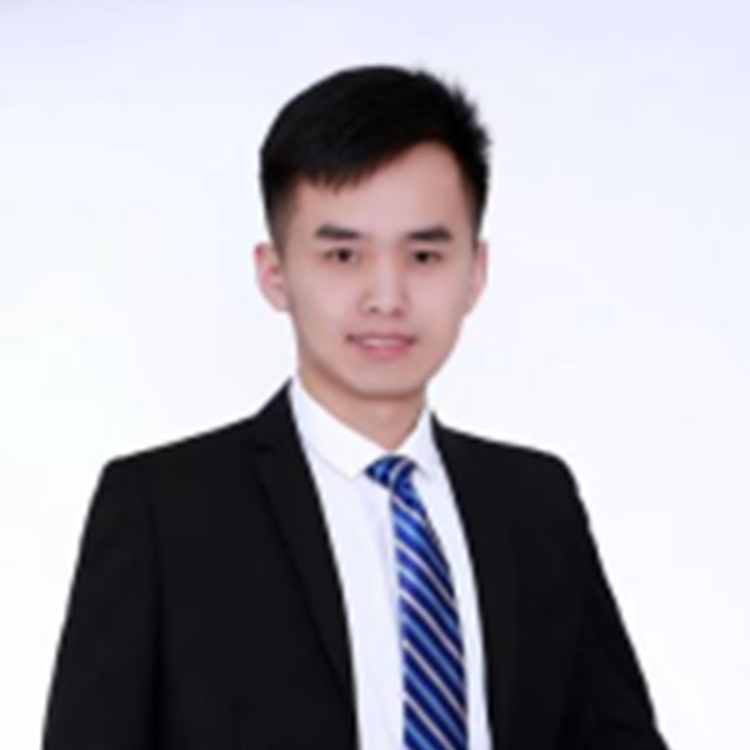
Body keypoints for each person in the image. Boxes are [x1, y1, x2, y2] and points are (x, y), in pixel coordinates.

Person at [42, 66, 669, 750]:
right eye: (343, 255)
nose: (386, 297)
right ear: (275, 273)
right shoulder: (163, 510)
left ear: (475, 272)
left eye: (424, 256)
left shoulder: (535, 501)